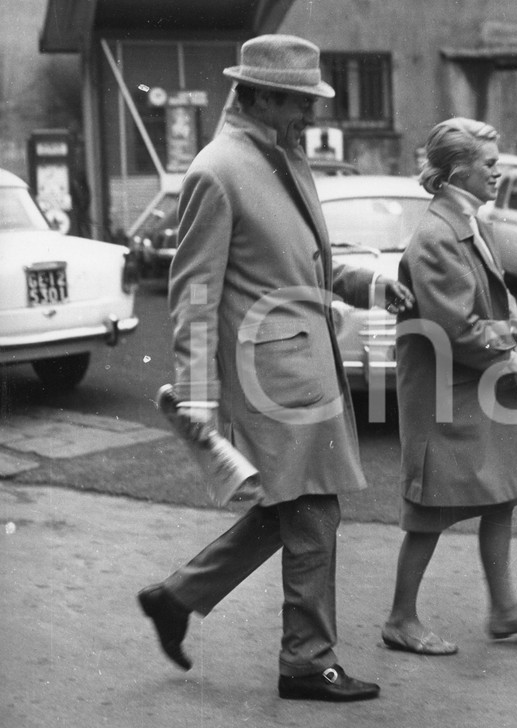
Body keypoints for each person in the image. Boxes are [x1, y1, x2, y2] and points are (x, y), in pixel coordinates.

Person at [136, 34, 413, 703]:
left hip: (300, 367)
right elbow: (194, 294)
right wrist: (198, 397)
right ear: (257, 95)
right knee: (314, 510)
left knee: (292, 507)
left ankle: (178, 597)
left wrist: (367, 283)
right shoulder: (218, 170)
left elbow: (301, 265)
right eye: (297, 102)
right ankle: (305, 659)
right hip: (272, 378)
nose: (310, 116)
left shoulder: (281, 157)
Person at [381, 118, 517, 655]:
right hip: (447, 391)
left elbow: (497, 296)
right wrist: (510, 348)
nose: (498, 171)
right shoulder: (437, 236)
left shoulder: (467, 221)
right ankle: (400, 619)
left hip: (471, 385)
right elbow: (456, 328)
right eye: (490, 164)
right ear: (459, 170)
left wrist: (508, 339)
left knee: (502, 494)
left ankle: (505, 610)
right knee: (430, 512)